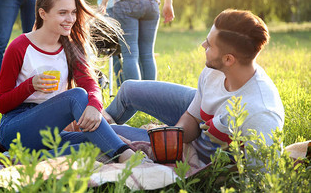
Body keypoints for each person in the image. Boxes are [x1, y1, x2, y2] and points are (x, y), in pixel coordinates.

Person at [102, 9, 285, 164]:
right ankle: (97, 120)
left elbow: (261, 178)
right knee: (128, 89)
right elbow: (192, 115)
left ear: (229, 59)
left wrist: (172, 150)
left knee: (106, 134)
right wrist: (174, 136)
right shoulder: (215, 70)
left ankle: (92, 130)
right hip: (202, 123)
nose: (203, 45)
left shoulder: (260, 113)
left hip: (203, 150)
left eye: (210, 45)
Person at [0, 0, 139, 163]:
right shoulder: (19, 47)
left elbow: (90, 84)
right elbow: (1, 103)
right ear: (43, 14)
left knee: (102, 141)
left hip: (52, 132)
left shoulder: (70, 46)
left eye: (73, 12)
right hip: (16, 129)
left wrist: (95, 105)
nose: (70, 18)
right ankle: (125, 156)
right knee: (76, 96)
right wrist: (30, 85)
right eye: (62, 13)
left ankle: (29, 159)